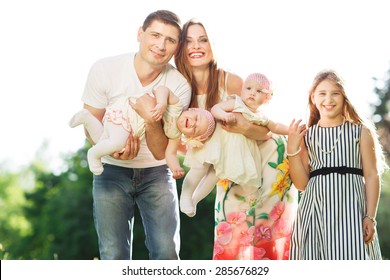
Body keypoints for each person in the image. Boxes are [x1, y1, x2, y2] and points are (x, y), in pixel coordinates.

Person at [174, 18, 298, 260]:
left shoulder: (229, 81)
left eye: (203, 39)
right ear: (181, 47)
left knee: (267, 235)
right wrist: (201, 152)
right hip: (228, 167)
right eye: (188, 41)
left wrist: (238, 127)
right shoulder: (178, 88)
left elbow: (264, 130)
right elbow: (180, 143)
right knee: (230, 234)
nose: (196, 46)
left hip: (266, 159)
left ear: (212, 44)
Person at [76, 10, 192, 260]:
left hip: (157, 172)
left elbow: (162, 150)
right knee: (113, 254)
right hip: (110, 172)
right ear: (140, 34)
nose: (161, 45)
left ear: (177, 46)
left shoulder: (179, 86)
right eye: (155, 35)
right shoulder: (105, 69)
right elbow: (92, 124)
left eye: (170, 40)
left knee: (167, 253)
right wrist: (111, 148)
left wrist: (151, 120)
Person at [287, 69, 387, 260]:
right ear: (313, 98)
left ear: (344, 97)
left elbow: (372, 175)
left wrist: (370, 217)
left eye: (335, 93)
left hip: (351, 211)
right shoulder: (307, 136)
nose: (329, 99)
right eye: (322, 94)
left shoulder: (360, 132)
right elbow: (302, 185)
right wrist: (293, 149)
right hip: (315, 212)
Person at [180, 72, 290, 217]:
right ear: (242, 89)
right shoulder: (236, 103)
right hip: (215, 143)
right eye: (249, 88)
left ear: (267, 98)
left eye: (259, 91)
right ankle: (186, 196)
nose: (252, 93)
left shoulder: (262, 117)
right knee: (199, 168)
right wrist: (225, 116)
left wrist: (291, 130)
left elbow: (275, 127)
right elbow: (215, 109)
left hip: (229, 154)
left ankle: (195, 200)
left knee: (214, 176)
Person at [70, 85, 214, 179]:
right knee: (116, 144)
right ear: (192, 110)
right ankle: (93, 154)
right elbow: (162, 89)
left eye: (195, 129)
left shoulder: (174, 135)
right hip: (129, 112)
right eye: (196, 118)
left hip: (129, 126)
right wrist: (162, 103)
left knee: (104, 141)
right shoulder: (176, 106)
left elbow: (169, 154)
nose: (193, 123)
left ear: (190, 137)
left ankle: (87, 118)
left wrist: (175, 168)